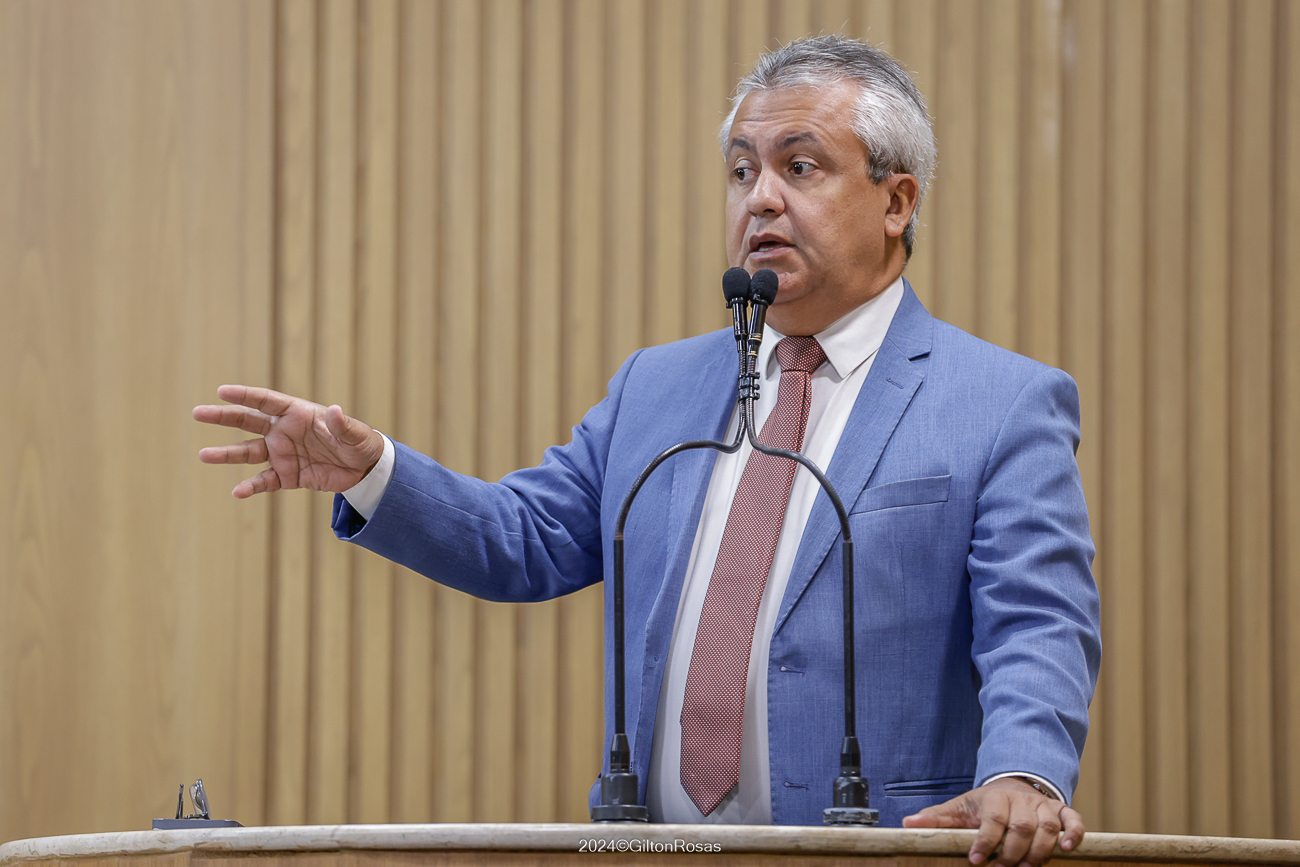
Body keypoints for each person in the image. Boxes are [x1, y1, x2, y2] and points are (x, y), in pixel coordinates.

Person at [195, 36, 1099, 867]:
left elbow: (1037, 621)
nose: (761, 197)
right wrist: (372, 471)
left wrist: (1023, 772)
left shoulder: (1000, 403)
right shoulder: (657, 387)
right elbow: (526, 538)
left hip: (877, 851)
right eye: (742, 169)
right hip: (648, 850)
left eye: (799, 166)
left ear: (897, 201)